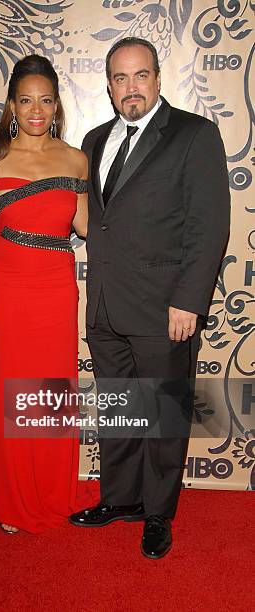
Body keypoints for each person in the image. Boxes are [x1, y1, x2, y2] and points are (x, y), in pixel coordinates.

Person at [69, 37, 230, 558]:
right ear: (110, 86)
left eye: (140, 76)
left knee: (161, 415)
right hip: (107, 306)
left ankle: (158, 513)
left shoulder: (193, 134)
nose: (130, 87)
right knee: (119, 410)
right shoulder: (93, 141)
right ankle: (120, 499)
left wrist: (189, 300)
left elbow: (209, 227)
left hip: (166, 308)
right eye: (120, 78)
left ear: (158, 79)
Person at [0, 54, 97, 534]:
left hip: (55, 285)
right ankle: (11, 500)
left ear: (56, 105)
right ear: (11, 106)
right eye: (26, 100)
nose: (36, 110)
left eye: (45, 100)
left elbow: (86, 225)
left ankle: (50, 490)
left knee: (50, 389)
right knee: (11, 390)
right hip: (7, 285)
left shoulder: (75, 159)